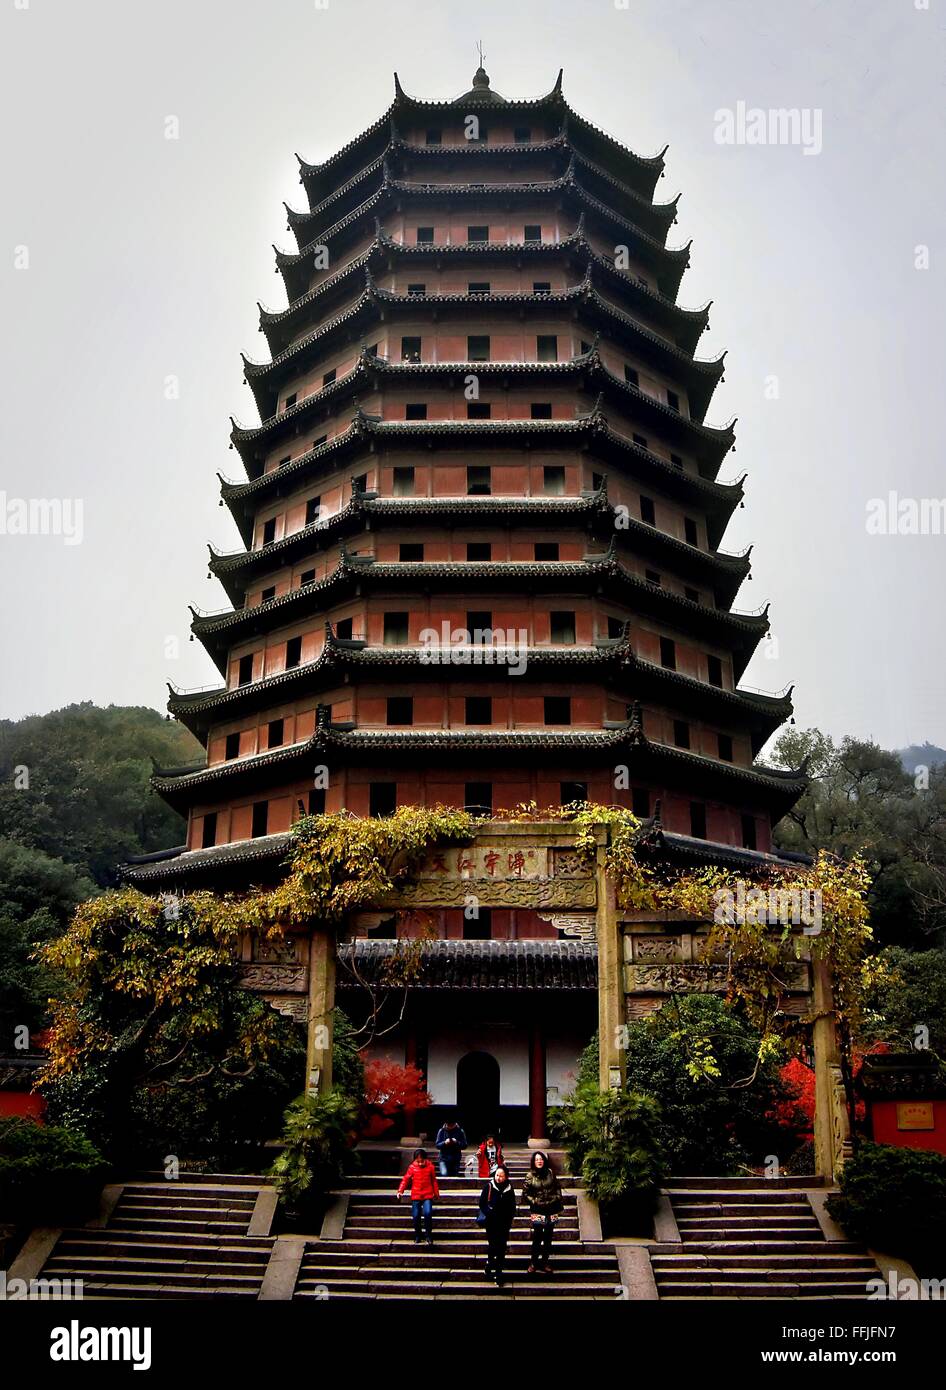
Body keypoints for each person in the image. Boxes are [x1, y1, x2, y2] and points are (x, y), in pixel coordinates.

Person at [520, 1150, 563, 1274]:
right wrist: (534, 1201)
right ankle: (533, 1262)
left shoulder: (550, 1173)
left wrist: (556, 1198)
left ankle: (545, 1262)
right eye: (537, 1159)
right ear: (534, 1162)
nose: (539, 1161)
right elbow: (525, 1193)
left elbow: (557, 1188)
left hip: (551, 1207)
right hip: (537, 1208)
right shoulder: (529, 1176)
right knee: (537, 1236)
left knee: (548, 1236)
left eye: (541, 1159)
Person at [478, 1163, 516, 1286]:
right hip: (491, 1223)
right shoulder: (488, 1186)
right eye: (497, 1175)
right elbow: (482, 1203)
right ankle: (489, 1263)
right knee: (493, 1246)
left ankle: (498, 1273)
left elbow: (512, 1206)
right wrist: (489, 1213)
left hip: (504, 1224)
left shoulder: (509, 1188)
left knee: (501, 1247)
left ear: (506, 1177)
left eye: (501, 1176)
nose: (499, 1178)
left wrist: (509, 1219)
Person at [396, 1147, 439, 1246]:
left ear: (425, 1159)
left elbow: (434, 1181)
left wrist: (436, 1193)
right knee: (416, 1216)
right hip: (416, 1195)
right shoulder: (412, 1167)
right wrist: (400, 1191)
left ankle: (428, 1235)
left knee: (428, 1213)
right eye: (418, 1161)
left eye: (422, 1161)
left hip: (427, 1194)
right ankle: (418, 1235)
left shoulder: (430, 1167)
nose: (420, 1163)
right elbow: (406, 1179)